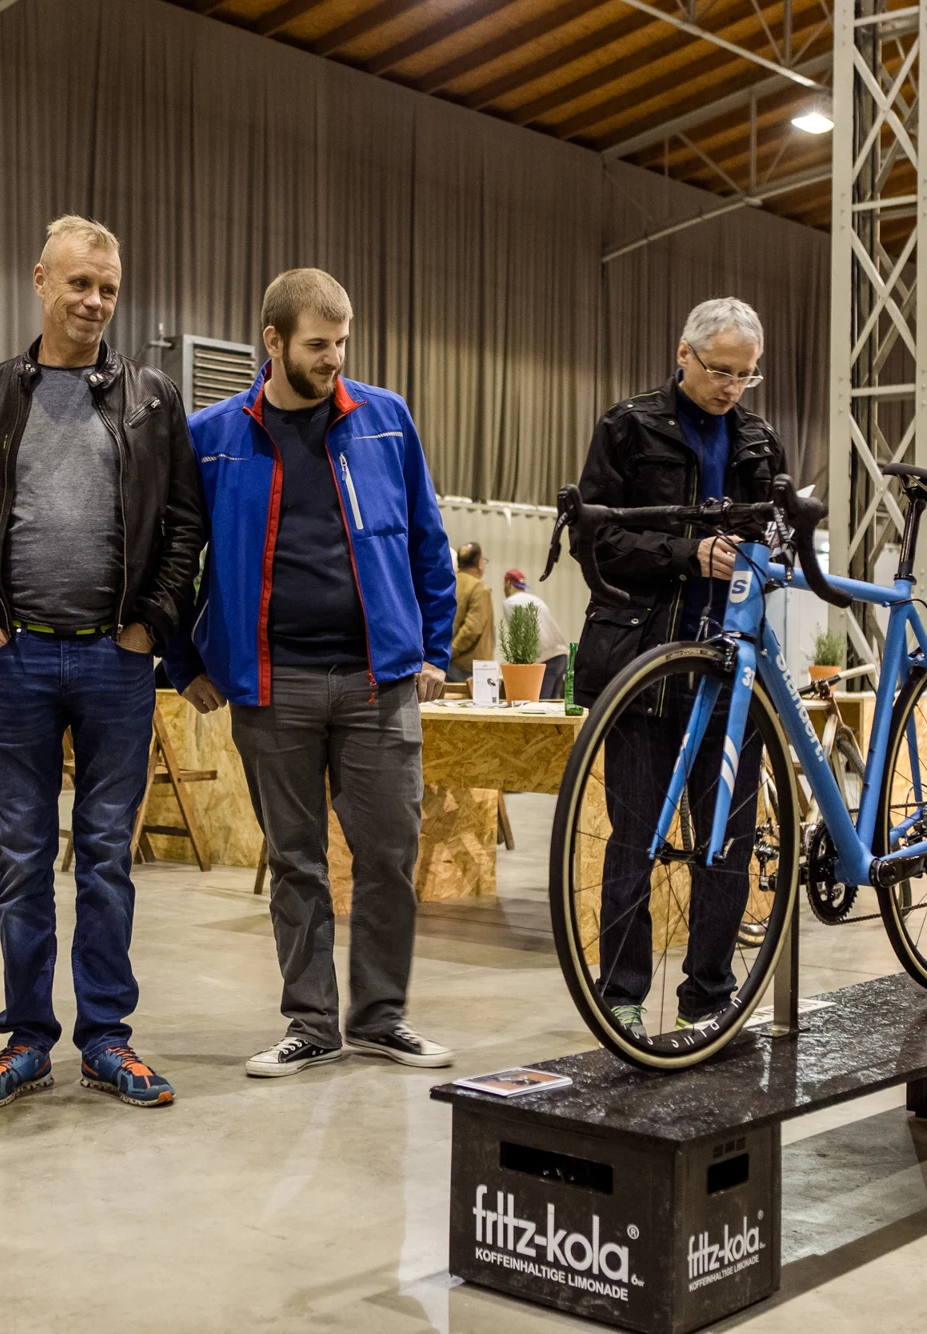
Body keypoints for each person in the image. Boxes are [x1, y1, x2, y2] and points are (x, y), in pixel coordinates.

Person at [163, 267, 457, 1078]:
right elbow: (177, 555)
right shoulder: (212, 436)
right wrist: (181, 658)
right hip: (272, 684)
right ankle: (311, 1022)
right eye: (318, 345)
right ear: (274, 342)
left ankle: (381, 1017)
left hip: (379, 681)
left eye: (342, 343)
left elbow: (428, 543)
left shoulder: (387, 422)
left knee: (390, 855)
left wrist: (435, 651)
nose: (334, 359)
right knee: (296, 862)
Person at [0, 216, 205, 1111]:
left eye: (109, 289)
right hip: (16, 664)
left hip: (115, 665)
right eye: (80, 284)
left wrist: (149, 629)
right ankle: (25, 1039)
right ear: (41, 282)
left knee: (103, 857)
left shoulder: (152, 398)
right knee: (23, 859)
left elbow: (182, 528)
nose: (94, 302)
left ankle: (107, 1039)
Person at [571, 296, 784, 1037]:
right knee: (635, 835)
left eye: (745, 376)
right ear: (683, 353)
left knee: (725, 838)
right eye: (720, 370)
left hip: (732, 671)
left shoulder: (759, 441)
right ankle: (622, 994)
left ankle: (710, 997)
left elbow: (779, 541)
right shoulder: (628, 428)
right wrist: (685, 554)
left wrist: (766, 556)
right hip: (647, 664)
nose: (730, 387)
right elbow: (594, 543)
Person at [503, 568, 570, 699]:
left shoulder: (510, 602)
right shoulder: (536, 600)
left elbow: (519, 636)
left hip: (543, 661)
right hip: (561, 656)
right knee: (550, 710)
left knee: (538, 711)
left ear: (508, 584)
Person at [448, 542, 493, 682]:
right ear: (479, 564)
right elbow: (472, 629)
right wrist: (451, 651)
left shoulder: (449, 583)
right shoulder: (479, 588)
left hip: (448, 664)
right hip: (469, 668)